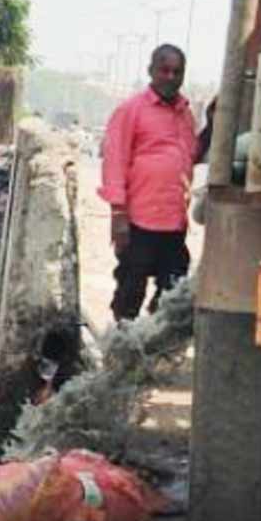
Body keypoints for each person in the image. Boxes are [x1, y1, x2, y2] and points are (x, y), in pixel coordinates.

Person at [98, 44, 200, 322]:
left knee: (173, 291)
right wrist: (118, 214)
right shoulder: (131, 110)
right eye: (164, 70)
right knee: (131, 289)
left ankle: (155, 350)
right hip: (138, 221)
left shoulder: (185, 114)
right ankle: (121, 350)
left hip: (174, 222)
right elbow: (114, 161)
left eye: (176, 72)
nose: (170, 77)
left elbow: (191, 155)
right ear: (151, 71)